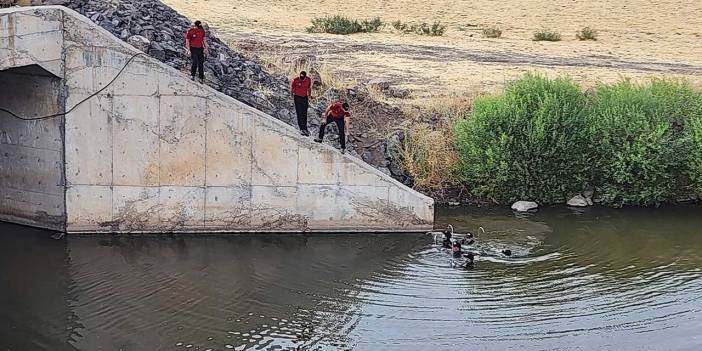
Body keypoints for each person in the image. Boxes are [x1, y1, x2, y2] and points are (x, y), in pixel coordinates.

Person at [291, 71, 312, 136]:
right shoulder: (296, 80)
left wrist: (309, 95)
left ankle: (305, 128)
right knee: (299, 112)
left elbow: (309, 88)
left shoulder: (308, 80)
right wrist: (292, 95)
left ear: (305, 77)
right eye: (301, 77)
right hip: (297, 97)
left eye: (303, 77)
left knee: (304, 113)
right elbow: (292, 88)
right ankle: (301, 128)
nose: (301, 78)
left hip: (304, 97)